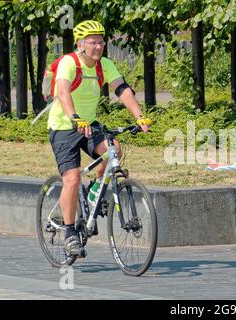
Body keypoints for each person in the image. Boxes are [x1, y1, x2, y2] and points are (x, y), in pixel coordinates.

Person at [47, 20, 151, 257]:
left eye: (101, 42)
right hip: (64, 126)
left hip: (88, 124)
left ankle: (94, 192)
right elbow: (62, 90)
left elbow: (122, 89)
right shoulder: (69, 63)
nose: (98, 46)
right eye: (92, 42)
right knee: (72, 179)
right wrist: (74, 117)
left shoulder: (104, 65)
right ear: (81, 44)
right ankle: (70, 232)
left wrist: (140, 116)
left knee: (113, 148)